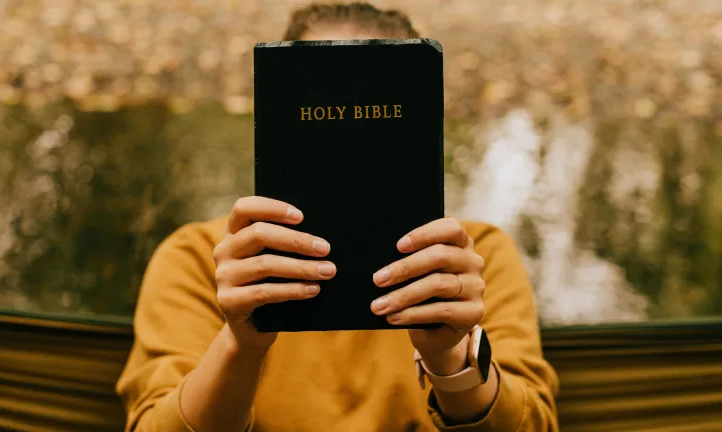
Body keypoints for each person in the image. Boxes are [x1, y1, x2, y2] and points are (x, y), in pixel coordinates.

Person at [116, 3, 559, 431]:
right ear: (277, 126)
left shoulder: (471, 263)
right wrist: (241, 344)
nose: (350, 149)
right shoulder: (203, 260)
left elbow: (534, 424)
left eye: (380, 119)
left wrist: (451, 358)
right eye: (323, 117)